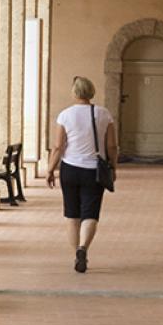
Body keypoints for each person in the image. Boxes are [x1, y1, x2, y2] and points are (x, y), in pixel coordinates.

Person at [45, 76, 118, 273]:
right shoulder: (104, 114)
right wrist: (113, 166)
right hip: (94, 170)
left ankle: (75, 253)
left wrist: (51, 169)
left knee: (72, 214)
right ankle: (83, 248)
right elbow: (111, 145)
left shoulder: (65, 115)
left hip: (70, 169)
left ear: (74, 92)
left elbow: (59, 146)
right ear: (92, 91)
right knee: (90, 213)